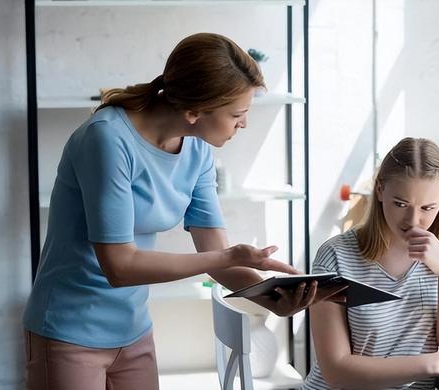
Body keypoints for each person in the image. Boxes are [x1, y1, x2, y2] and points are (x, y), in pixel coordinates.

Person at [23, 32, 341, 390]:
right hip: (68, 332)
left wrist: (273, 297)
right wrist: (226, 257)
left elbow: (216, 255)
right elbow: (120, 267)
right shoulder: (107, 139)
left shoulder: (198, 151)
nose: (244, 123)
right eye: (237, 113)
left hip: (133, 331)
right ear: (193, 111)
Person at [302, 137, 439, 390]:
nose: (413, 220)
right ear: (379, 190)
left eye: (428, 208)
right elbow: (336, 372)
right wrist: (432, 363)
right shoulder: (335, 256)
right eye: (400, 204)